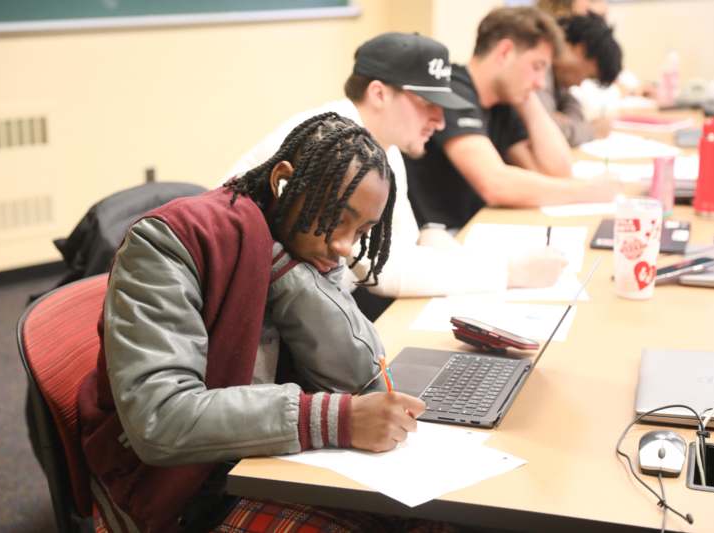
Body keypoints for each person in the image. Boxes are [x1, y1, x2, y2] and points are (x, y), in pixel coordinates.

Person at [78, 113, 451, 533]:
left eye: (362, 229)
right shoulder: (170, 241)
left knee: (433, 518)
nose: (347, 246)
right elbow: (160, 419)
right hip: (178, 493)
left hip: (261, 464)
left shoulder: (298, 246)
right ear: (284, 182)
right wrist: (334, 419)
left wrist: (289, 275)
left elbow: (364, 378)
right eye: (338, 219)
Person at [227, 32, 568, 311]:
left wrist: (434, 242)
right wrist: (510, 271)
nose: (440, 120)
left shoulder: (382, 146)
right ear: (379, 94)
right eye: (427, 105)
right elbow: (384, 271)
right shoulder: (338, 148)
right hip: (255, 326)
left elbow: (397, 249)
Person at [405, 6, 624, 232]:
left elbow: (557, 171)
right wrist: (587, 192)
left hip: (477, 226)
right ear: (505, 53)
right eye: (537, 66)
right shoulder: (452, 90)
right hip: (439, 237)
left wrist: (527, 100)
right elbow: (495, 184)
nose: (541, 82)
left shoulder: (504, 101)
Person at [538, 13, 623, 146]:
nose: (579, 84)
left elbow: (572, 104)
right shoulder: (539, 66)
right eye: (589, 76)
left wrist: (567, 123)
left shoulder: (557, 74)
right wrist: (592, 130)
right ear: (580, 49)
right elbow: (544, 132)